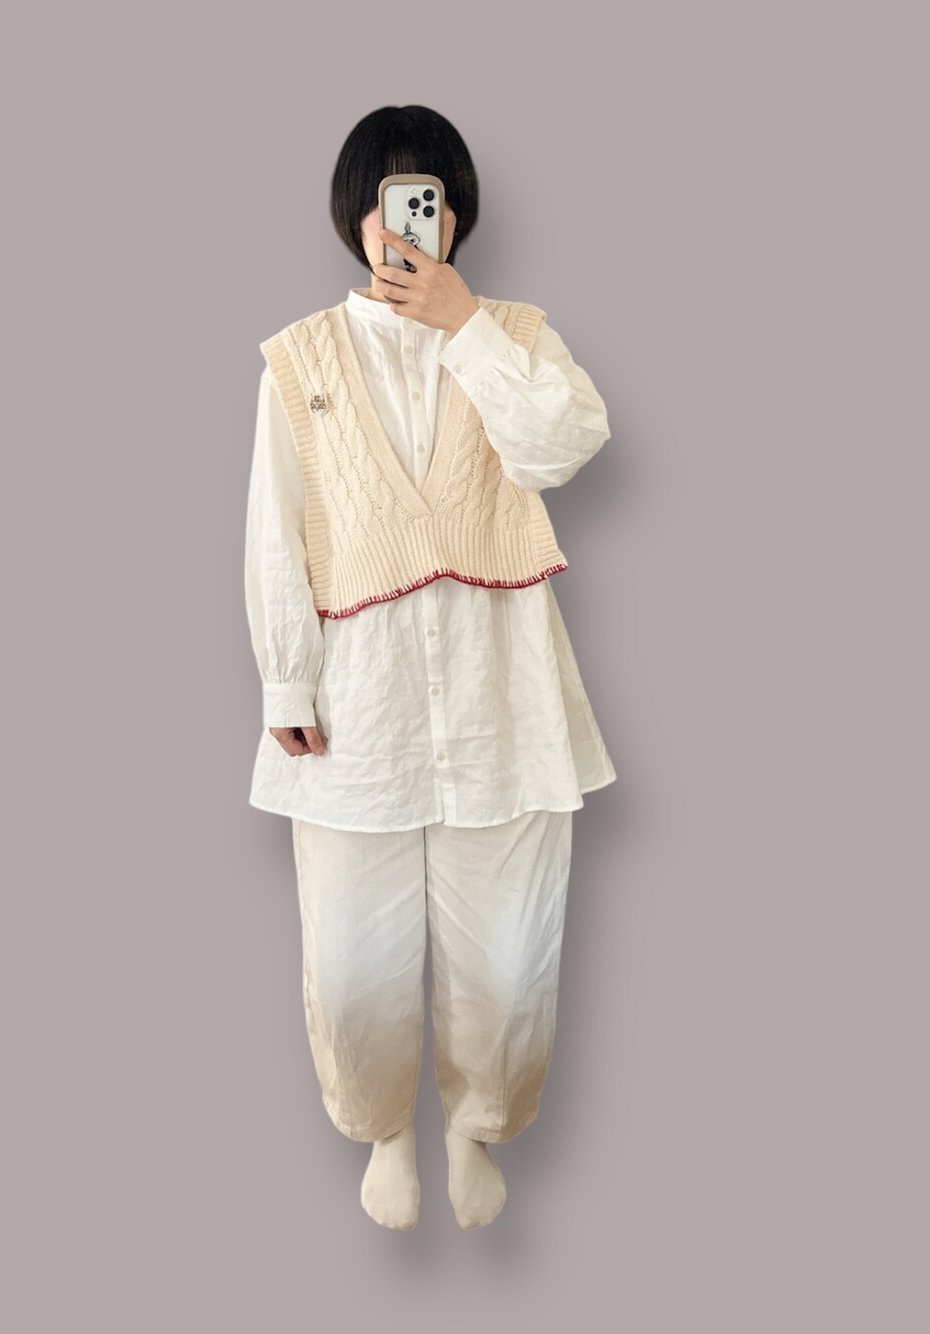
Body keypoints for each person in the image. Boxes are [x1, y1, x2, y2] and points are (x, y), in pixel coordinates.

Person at [244, 106, 617, 1230]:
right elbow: (275, 527)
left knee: (507, 948)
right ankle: (385, 1129)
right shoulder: (301, 357)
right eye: (383, 200)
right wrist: (284, 680)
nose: (401, 222)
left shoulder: (516, 333)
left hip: (504, 690)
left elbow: (561, 445)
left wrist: (466, 330)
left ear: (454, 216)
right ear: (353, 218)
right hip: (359, 701)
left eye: (425, 199)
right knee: (350, 952)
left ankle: (472, 1125)